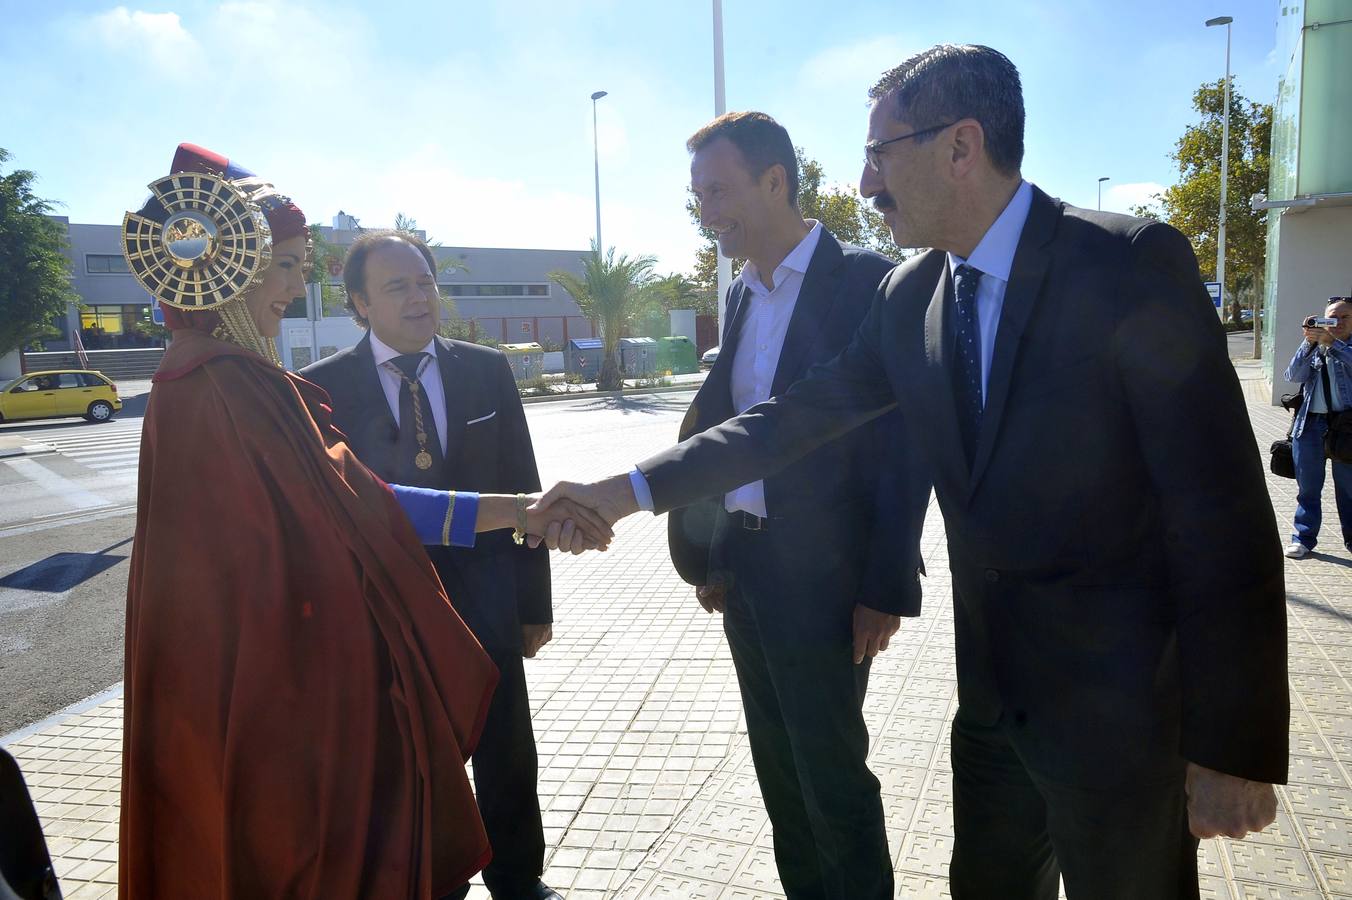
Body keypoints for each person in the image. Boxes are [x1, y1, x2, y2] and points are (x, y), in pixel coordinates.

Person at [540, 45, 1287, 900]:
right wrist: (623, 492)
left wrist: (1233, 746)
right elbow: (787, 422)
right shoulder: (910, 296)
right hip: (993, 717)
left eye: (879, 155)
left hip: (1122, 724)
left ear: (960, 146)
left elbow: (1221, 514)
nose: (864, 185)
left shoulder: (1125, 265)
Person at [119, 144, 607, 899]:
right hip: (285, 693)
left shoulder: (211, 379)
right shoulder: (223, 388)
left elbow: (353, 504)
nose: (292, 285)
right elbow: (369, 505)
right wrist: (518, 511)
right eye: (282, 265)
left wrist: (523, 525)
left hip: (294, 674)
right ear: (229, 268)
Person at [654, 110, 924, 900]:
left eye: (718, 191)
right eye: (698, 194)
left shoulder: (869, 282)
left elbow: (904, 448)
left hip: (833, 584)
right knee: (778, 767)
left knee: (832, 774)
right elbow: (734, 434)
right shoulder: (742, 293)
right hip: (749, 569)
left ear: (776, 181)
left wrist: (884, 586)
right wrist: (712, 555)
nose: (706, 212)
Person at [302, 231, 562, 900]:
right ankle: (430, 877)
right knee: (410, 756)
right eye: (397, 287)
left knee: (506, 748)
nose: (419, 298)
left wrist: (533, 606)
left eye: (425, 282)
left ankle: (517, 876)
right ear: (359, 303)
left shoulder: (487, 370)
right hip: (387, 612)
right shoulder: (320, 390)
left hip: (487, 601)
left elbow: (524, 488)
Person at [1282, 296, 1352, 559]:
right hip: (1310, 424)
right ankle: (1303, 538)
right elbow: (1293, 376)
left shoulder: (1342, 346)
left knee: (1348, 488)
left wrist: (1333, 345)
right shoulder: (1315, 346)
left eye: (1345, 317)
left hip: (1346, 427)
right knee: (1308, 488)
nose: (1338, 323)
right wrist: (1308, 342)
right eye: (1332, 318)